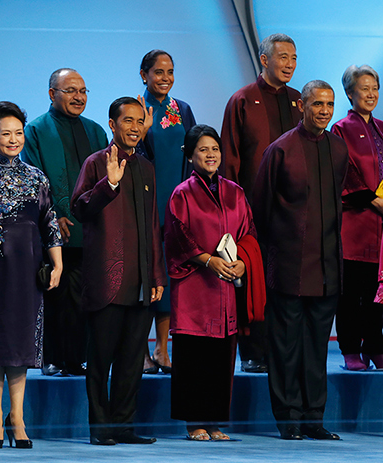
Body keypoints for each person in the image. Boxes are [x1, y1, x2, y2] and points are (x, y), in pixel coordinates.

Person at [0, 101, 63, 449]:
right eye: (6, 133)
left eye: (18, 133)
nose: (14, 139)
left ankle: (17, 417)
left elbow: (50, 224)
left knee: (21, 346)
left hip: (29, 271)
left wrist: (58, 264)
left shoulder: (36, 177)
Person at [253, 80, 348, 440]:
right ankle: (288, 418)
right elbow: (260, 209)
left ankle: (313, 418)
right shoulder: (280, 150)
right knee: (286, 346)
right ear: (302, 106)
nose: (324, 111)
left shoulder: (339, 149)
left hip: (327, 269)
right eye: (317, 104)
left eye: (329, 104)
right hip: (289, 267)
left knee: (316, 349)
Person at [71, 97, 166, 445]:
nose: (134, 127)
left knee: (130, 363)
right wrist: (108, 185)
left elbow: (154, 227)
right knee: (100, 361)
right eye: (127, 121)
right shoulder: (96, 163)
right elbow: (79, 208)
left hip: (141, 280)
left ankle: (124, 425)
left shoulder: (146, 168)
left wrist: (157, 276)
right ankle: (100, 429)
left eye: (140, 121)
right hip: (106, 280)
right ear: (112, 124)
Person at [165, 125, 258, 440]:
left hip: (226, 286)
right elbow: (178, 235)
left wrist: (243, 262)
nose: (210, 155)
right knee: (195, 354)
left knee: (221, 354)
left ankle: (216, 421)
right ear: (191, 156)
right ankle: (194, 422)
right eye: (203, 150)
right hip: (195, 286)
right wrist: (208, 260)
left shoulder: (236, 191)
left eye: (214, 149)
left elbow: (248, 232)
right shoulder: (183, 194)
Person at [219, 33, 301, 374]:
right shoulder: (243, 100)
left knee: (289, 285)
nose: (290, 64)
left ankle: (285, 350)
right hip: (253, 212)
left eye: (294, 58)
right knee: (252, 282)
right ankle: (253, 351)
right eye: (283, 57)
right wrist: (232, 210)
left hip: (295, 215)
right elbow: (230, 160)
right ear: (264, 60)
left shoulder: (301, 100)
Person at [22, 68, 108, 377]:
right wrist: (56, 213)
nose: (78, 97)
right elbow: (35, 177)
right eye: (70, 90)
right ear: (51, 94)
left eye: (83, 91)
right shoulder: (35, 131)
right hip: (55, 232)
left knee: (88, 296)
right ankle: (54, 359)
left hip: (92, 232)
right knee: (57, 298)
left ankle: (80, 357)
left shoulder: (96, 131)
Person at [138, 49, 197, 374]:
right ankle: (141, 350)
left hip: (176, 206)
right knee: (147, 278)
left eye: (170, 71)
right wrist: (142, 132)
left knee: (170, 279)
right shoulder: (136, 108)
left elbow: (193, 153)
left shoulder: (182, 109)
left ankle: (162, 349)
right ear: (144, 74)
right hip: (146, 206)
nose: (165, 78)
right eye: (159, 72)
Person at [331, 65, 383, 370]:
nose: (371, 94)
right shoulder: (341, 130)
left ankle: (375, 346)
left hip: (380, 228)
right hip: (355, 224)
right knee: (353, 293)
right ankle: (350, 348)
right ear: (350, 93)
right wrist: (375, 201)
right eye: (364, 89)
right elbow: (345, 175)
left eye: (374, 88)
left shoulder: (382, 127)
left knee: (379, 293)